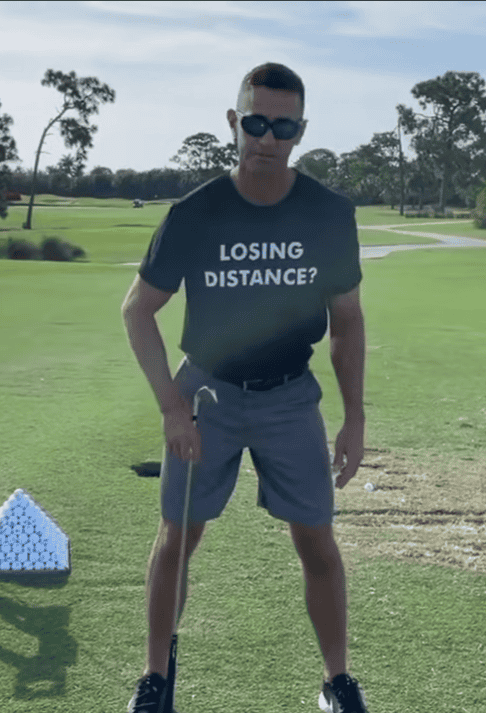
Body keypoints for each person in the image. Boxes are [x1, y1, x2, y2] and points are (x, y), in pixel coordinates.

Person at [122, 62, 368, 713]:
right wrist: (171, 407)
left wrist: (355, 417)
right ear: (235, 121)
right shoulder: (195, 213)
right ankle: (155, 677)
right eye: (256, 122)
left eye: (283, 127)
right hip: (207, 396)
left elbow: (346, 320)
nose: (267, 138)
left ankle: (337, 681)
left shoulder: (328, 213)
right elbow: (137, 311)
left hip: (291, 396)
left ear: (300, 131)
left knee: (317, 540)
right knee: (178, 536)